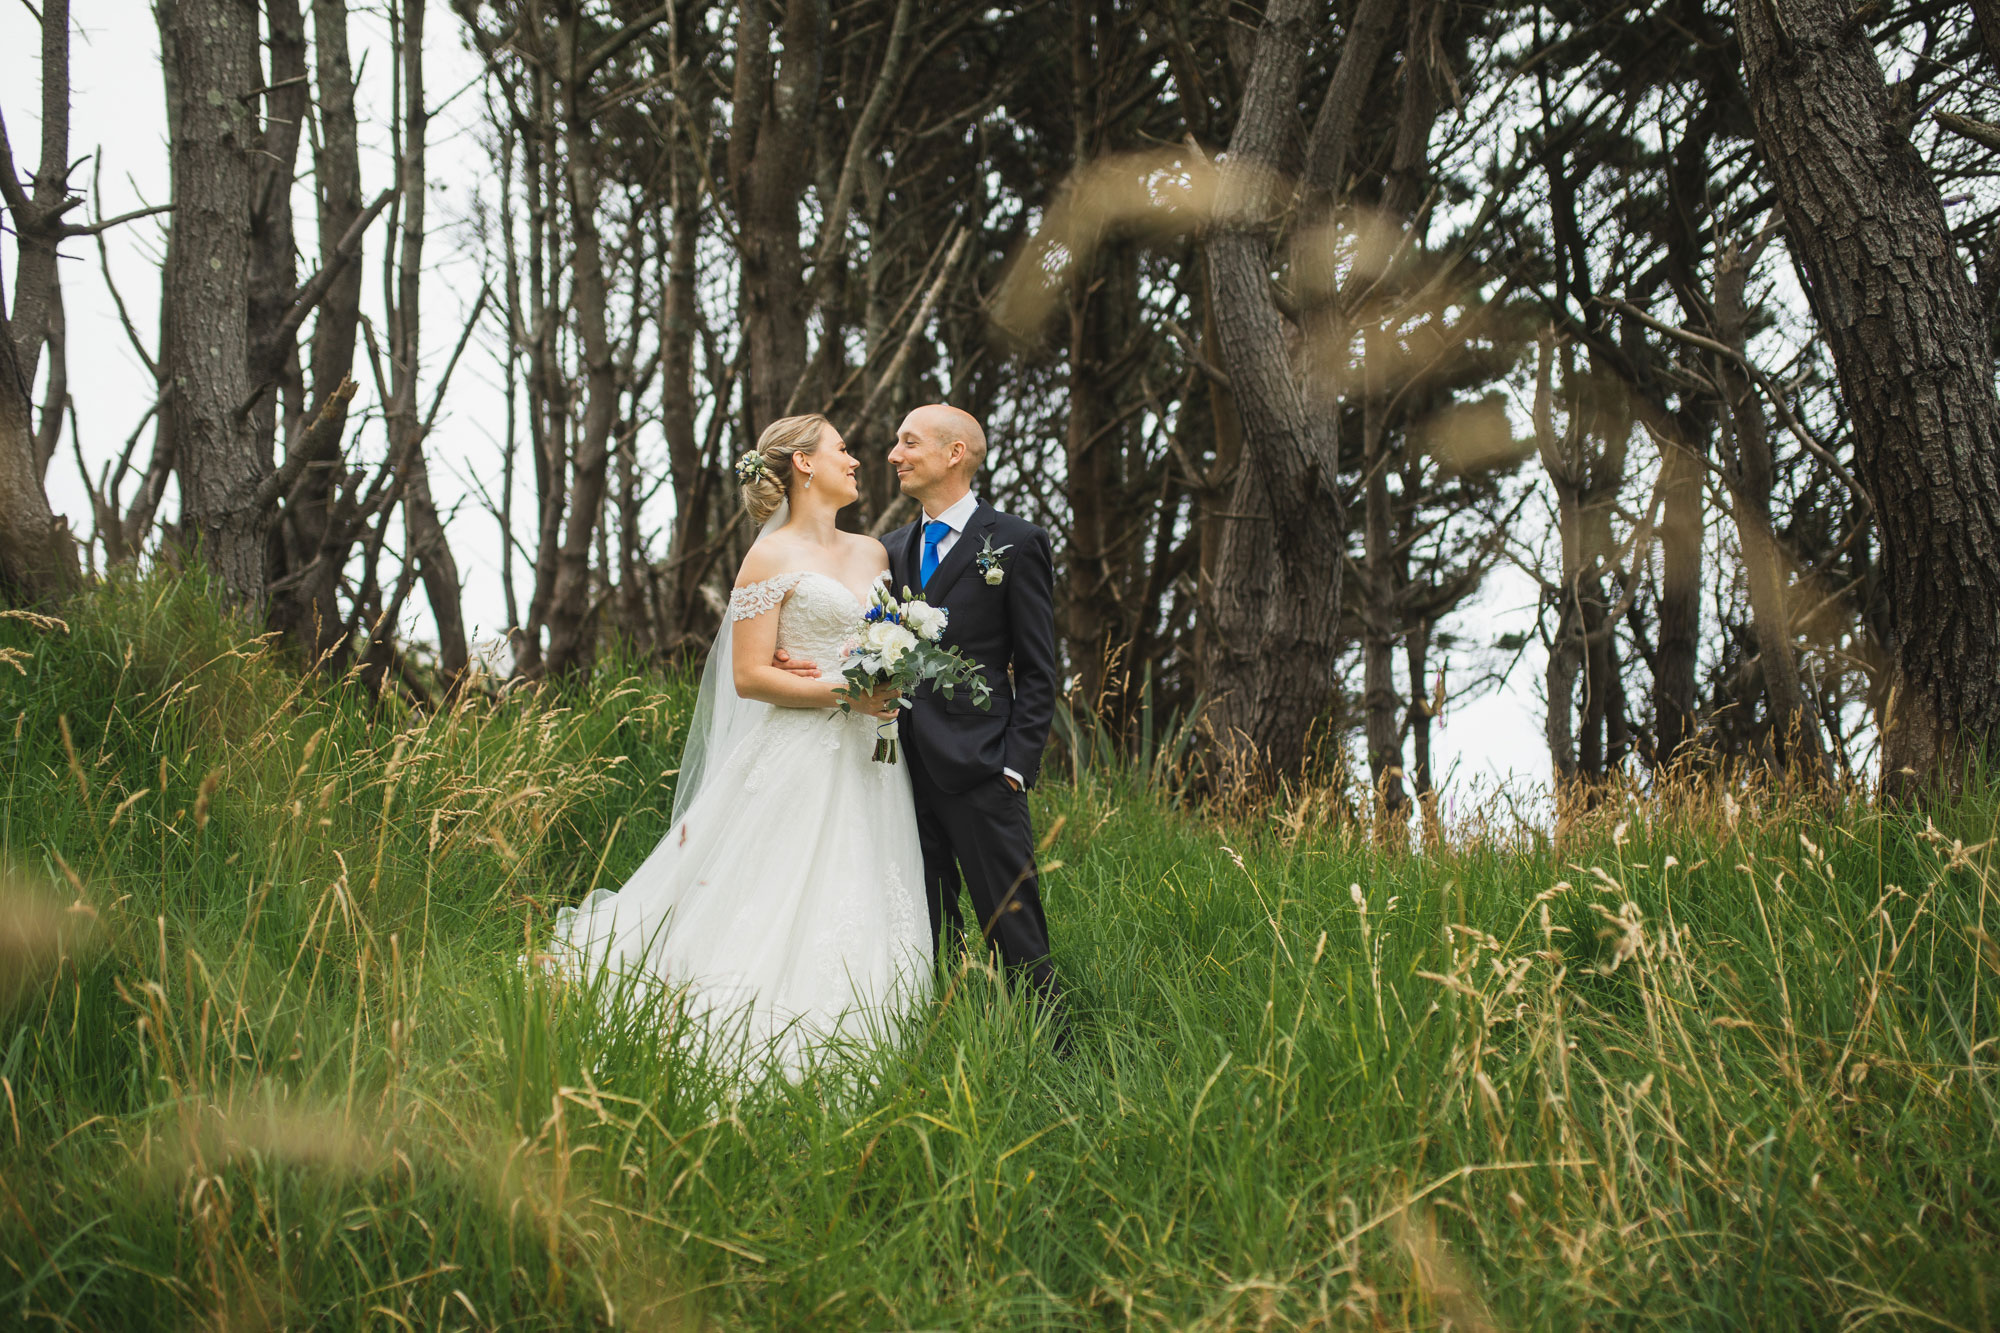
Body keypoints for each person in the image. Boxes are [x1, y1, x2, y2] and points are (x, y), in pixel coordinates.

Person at [544, 413, 927, 1077]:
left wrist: (886, 679)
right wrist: (847, 693)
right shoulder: (768, 557)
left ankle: (884, 1027)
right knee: (776, 892)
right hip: (799, 754)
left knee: (867, 880)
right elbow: (750, 676)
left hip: (871, 757)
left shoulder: (874, 553)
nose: (857, 460)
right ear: (804, 463)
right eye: (841, 449)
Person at [777, 404, 1069, 1050]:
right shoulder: (894, 549)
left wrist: (1014, 767)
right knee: (926, 930)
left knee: (1014, 928)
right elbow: (860, 637)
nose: (893, 454)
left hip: (983, 772)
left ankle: (1059, 1056)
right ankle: (952, 1044)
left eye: (909, 442)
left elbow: (1040, 669)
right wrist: (796, 661)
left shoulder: (1016, 542)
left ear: (954, 452)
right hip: (897, 771)